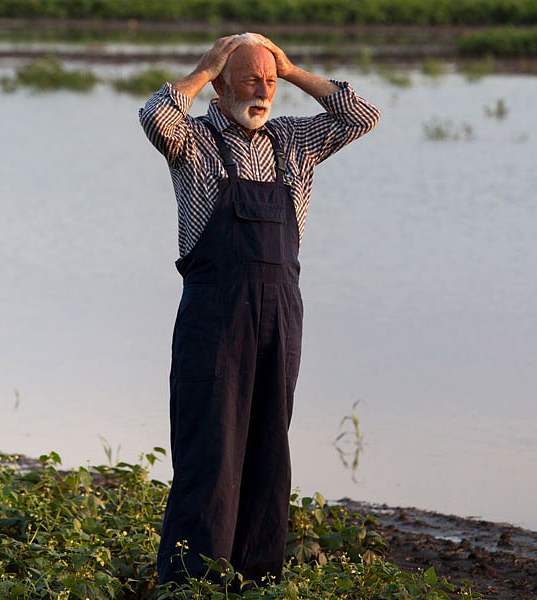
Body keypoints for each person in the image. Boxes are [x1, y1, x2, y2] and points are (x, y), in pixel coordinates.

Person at [137, 33, 379, 585]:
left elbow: (361, 115)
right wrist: (203, 68)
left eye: (268, 81)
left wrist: (292, 71)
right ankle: (190, 584)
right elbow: (156, 118)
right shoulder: (193, 141)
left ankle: (255, 580)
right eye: (250, 78)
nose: (262, 90)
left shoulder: (294, 140)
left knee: (270, 451)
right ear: (221, 85)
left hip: (280, 318)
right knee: (211, 451)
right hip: (214, 319)